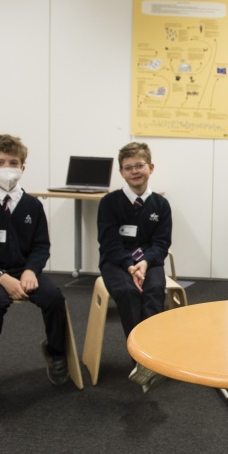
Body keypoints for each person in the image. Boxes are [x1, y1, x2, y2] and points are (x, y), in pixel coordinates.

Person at [0, 134, 70, 406]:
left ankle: (55, 351)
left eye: (14, 162)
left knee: (54, 298)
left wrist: (32, 271)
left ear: (22, 167)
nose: (7, 167)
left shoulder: (33, 206)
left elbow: (41, 245)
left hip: (26, 272)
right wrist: (2, 278)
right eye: (0, 162)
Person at [97, 142, 172, 391]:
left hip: (149, 261)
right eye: (128, 168)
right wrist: (130, 265)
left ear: (150, 167)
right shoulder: (109, 203)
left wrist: (144, 263)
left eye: (139, 165)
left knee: (153, 293)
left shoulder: (161, 206)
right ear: (121, 173)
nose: (135, 171)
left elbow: (161, 244)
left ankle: (149, 357)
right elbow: (109, 243)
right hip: (117, 262)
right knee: (128, 293)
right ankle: (141, 362)